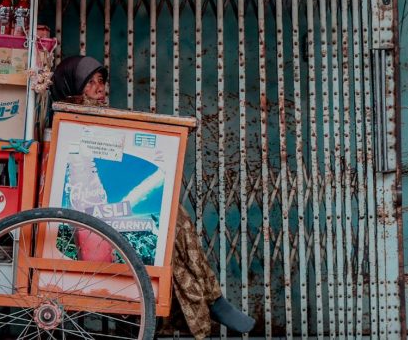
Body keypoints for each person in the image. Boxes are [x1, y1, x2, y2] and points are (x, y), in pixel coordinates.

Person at [51, 55, 256, 339]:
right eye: (91, 83)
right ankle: (212, 300)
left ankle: (210, 300)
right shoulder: (71, 125)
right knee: (171, 223)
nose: (100, 89)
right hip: (91, 217)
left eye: (101, 82)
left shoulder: (92, 120)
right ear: (71, 87)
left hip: (110, 208)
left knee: (173, 217)